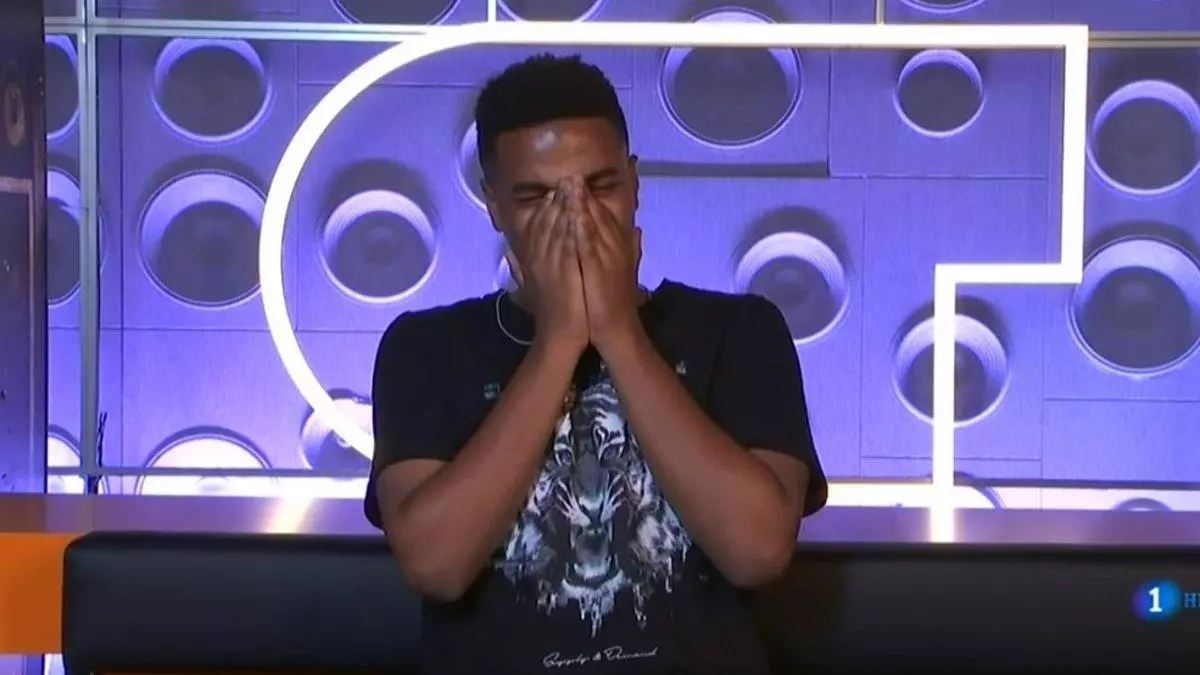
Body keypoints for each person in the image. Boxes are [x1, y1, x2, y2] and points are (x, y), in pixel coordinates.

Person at [366, 53, 828, 674]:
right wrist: (557, 343)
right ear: (493, 203)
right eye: (536, 197)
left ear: (634, 184)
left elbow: (758, 551)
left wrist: (618, 332)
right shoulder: (424, 348)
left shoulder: (741, 332)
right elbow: (436, 565)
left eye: (601, 187)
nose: (575, 218)